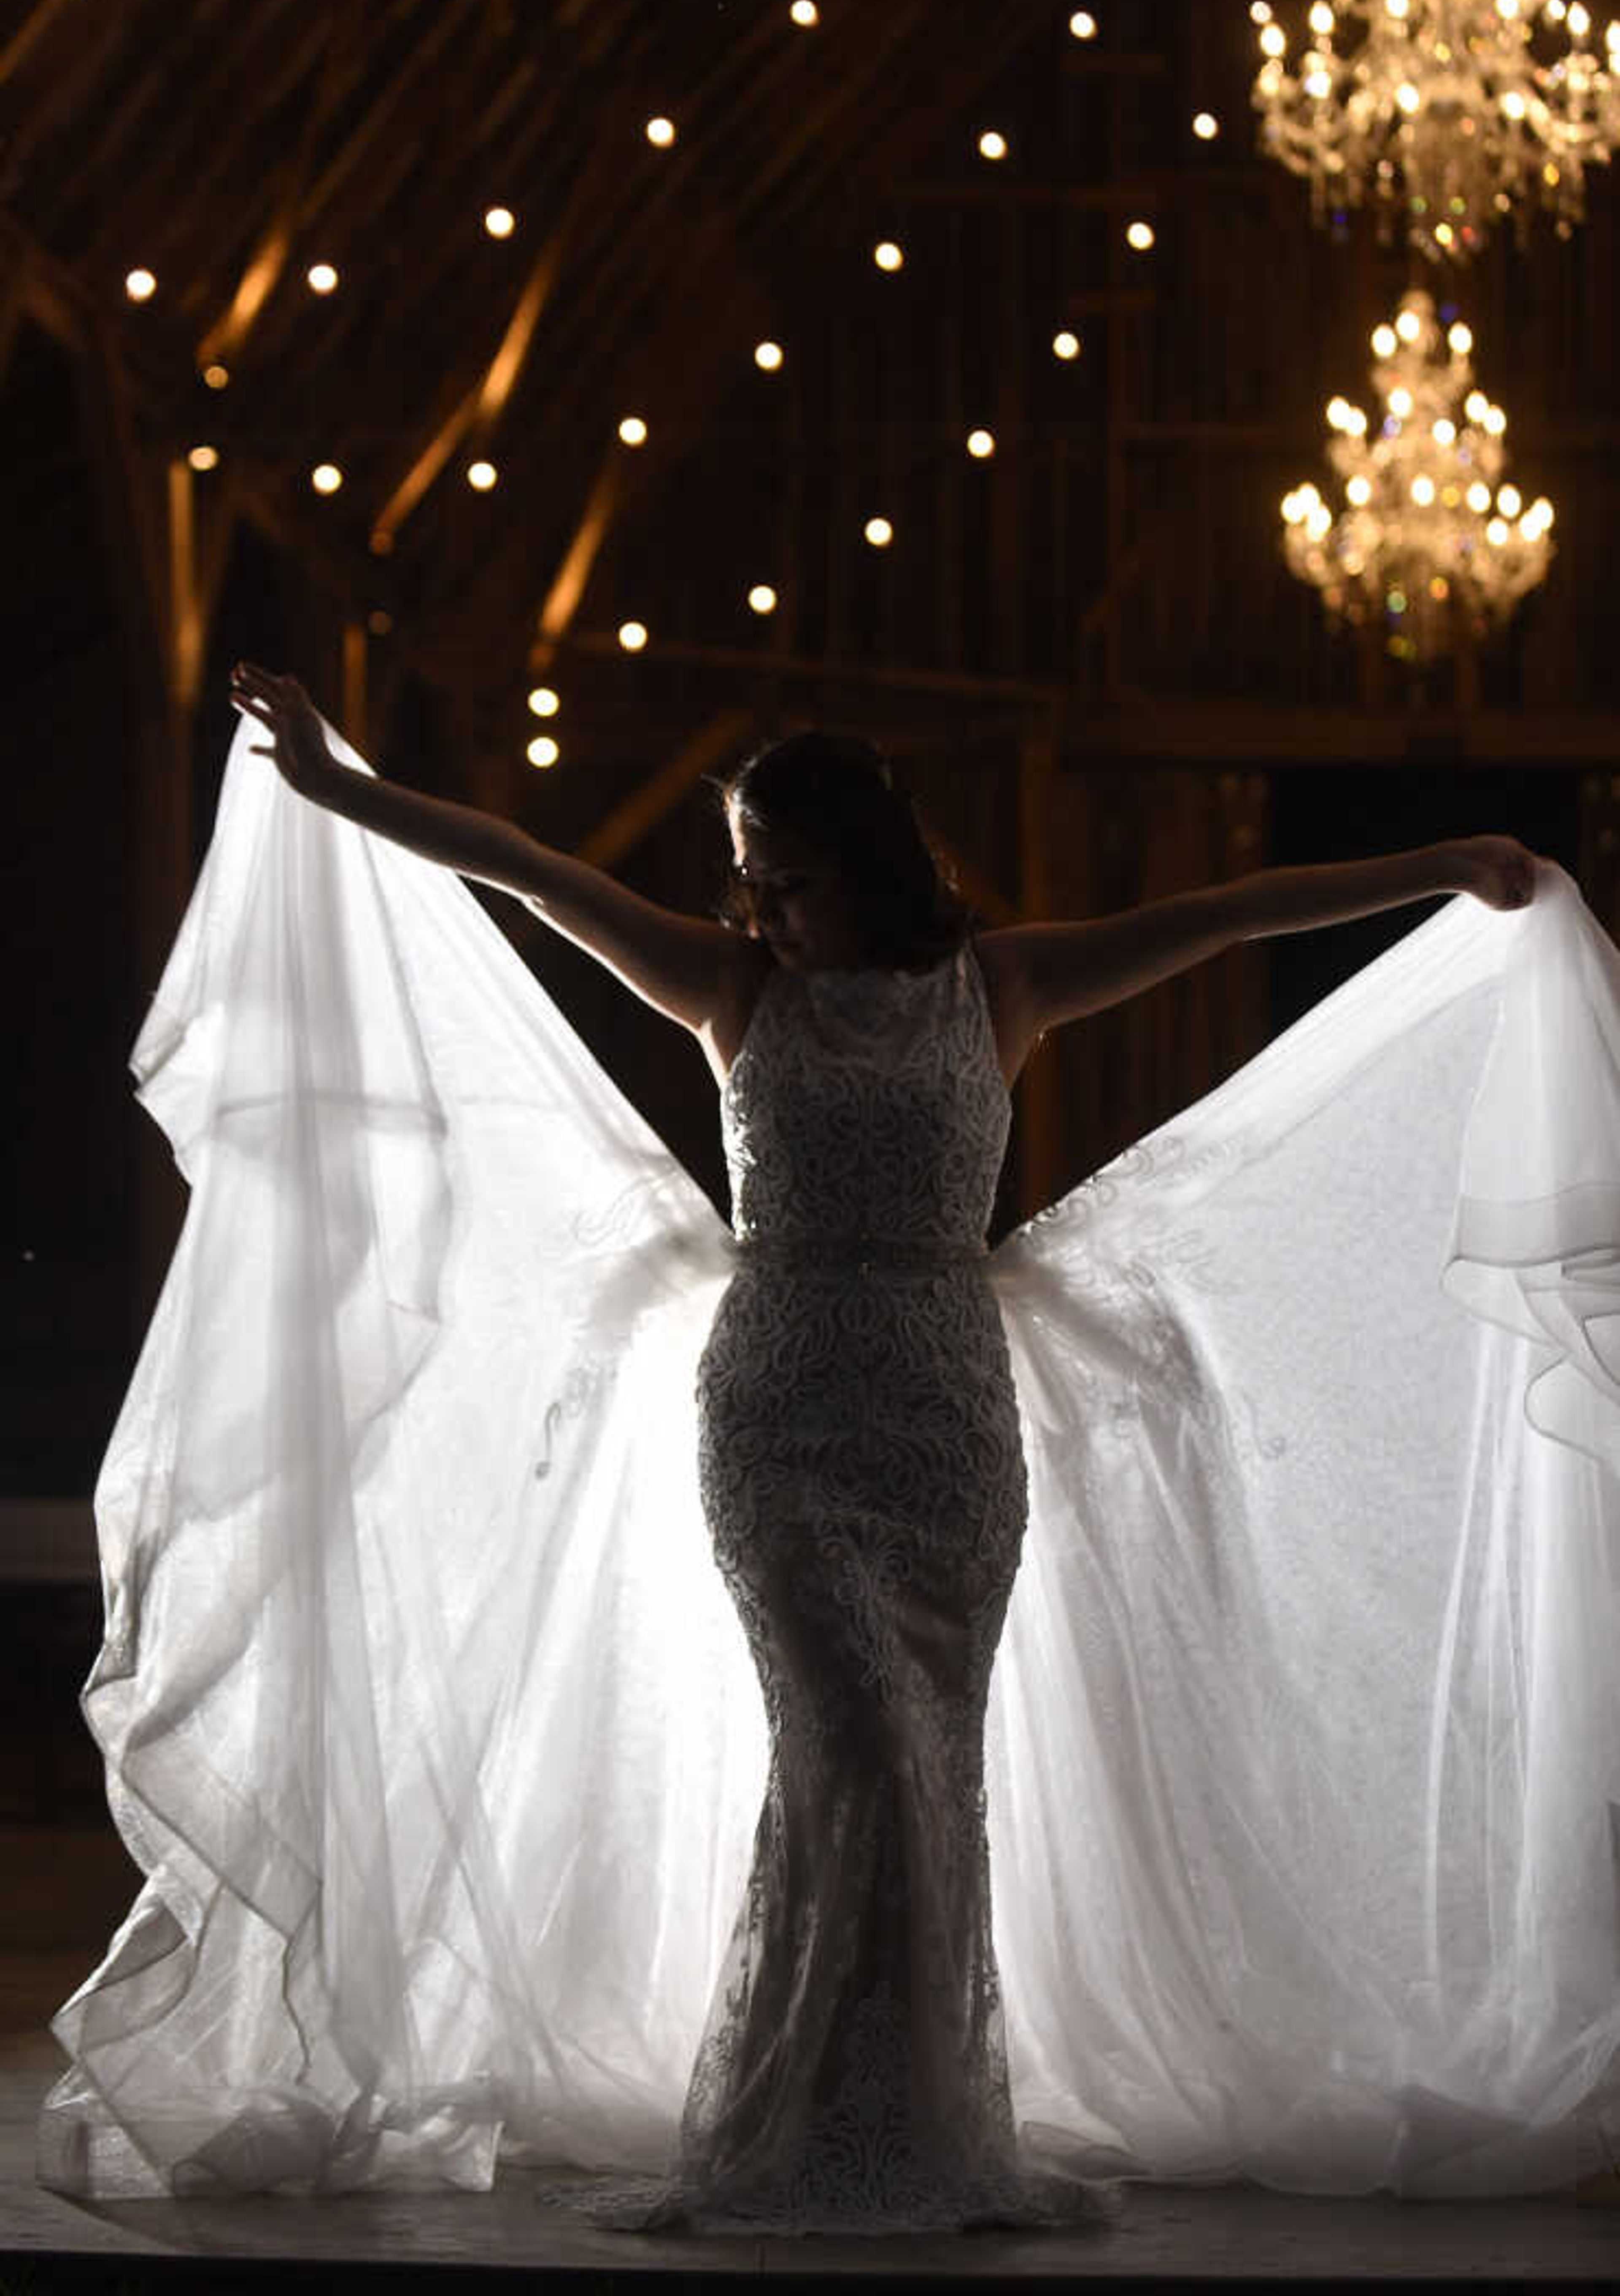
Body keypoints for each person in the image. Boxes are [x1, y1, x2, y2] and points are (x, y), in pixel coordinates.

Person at [207, 662, 1541, 2233]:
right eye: (749, 880)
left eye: (788, 877)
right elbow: (531, 870)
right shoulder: (731, 990)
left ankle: (910, 2132)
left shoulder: (1008, 986)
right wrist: (343, 788)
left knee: (928, 1774)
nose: (762, 908)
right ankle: (792, 2133)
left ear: (867, 860)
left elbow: (1238, 912)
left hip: (948, 1430)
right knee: (851, 1751)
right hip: (777, 1412)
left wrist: (1444, 863)